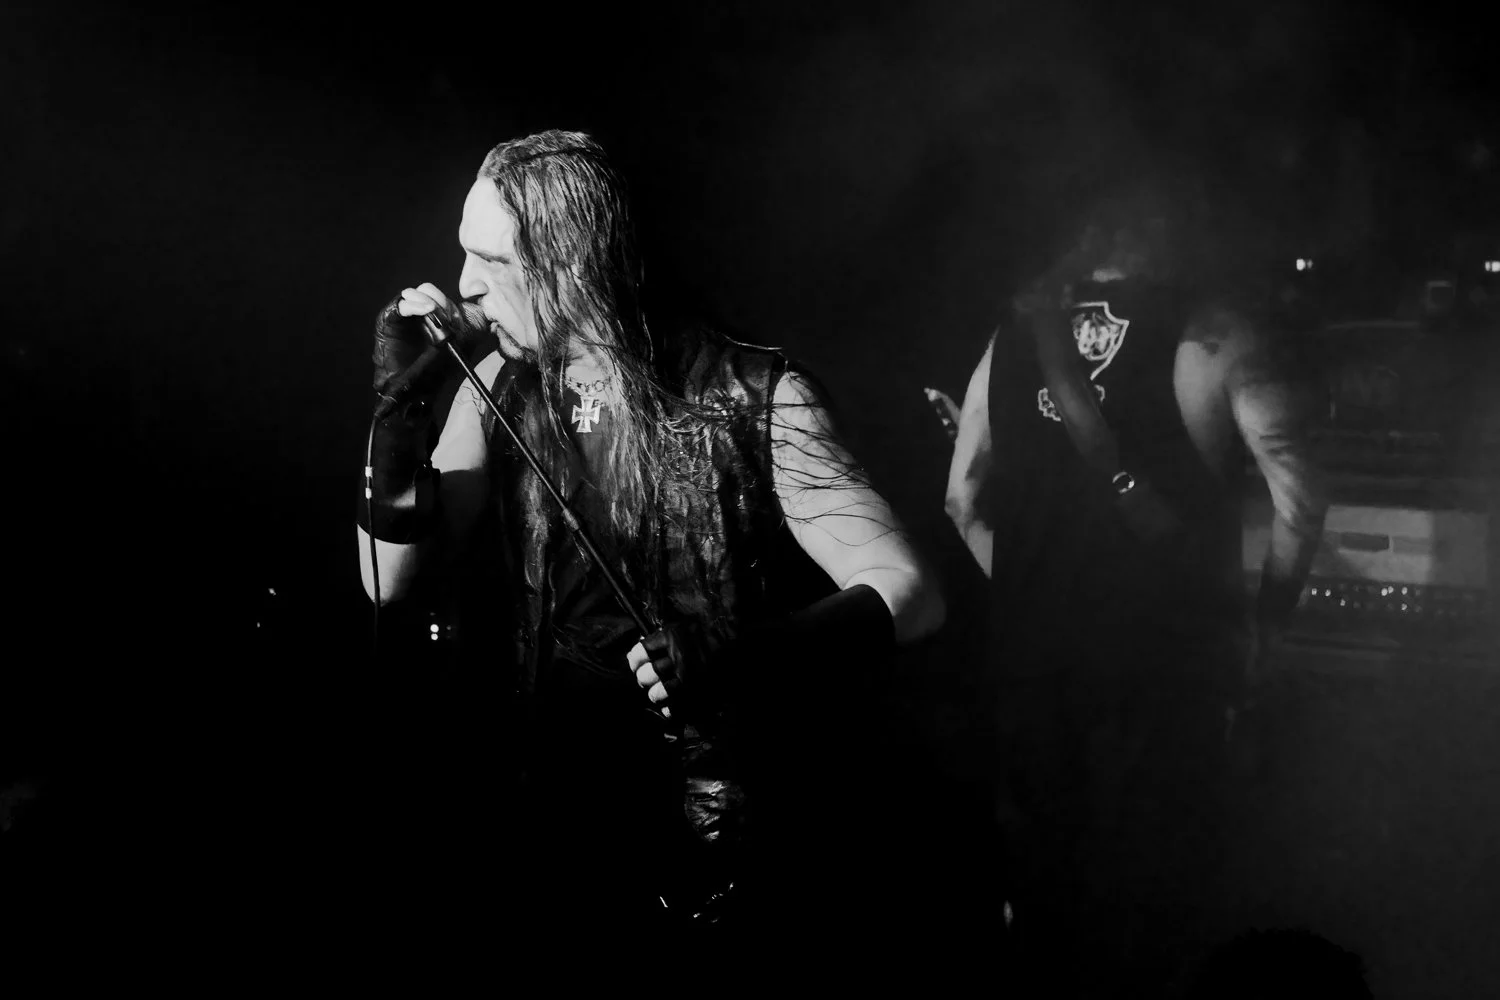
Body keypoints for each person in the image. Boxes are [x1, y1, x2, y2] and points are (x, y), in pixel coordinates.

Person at [353, 130, 945, 949]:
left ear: (571, 262)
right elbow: (387, 580)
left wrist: (746, 650)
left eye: (492, 262)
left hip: (721, 842)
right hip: (557, 821)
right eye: (464, 256)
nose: (464, 287)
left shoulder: (754, 395)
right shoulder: (497, 385)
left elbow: (910, 592)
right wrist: (400, 416)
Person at [938, 184, 1329, 993]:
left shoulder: (1013, 330)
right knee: (1159, 888)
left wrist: (1023, 594)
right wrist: (1267, 629)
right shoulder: (1217, 336)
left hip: (1035, 663)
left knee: (1046, 884)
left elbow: (961, 499)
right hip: (1167, 663)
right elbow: (1301, 502)